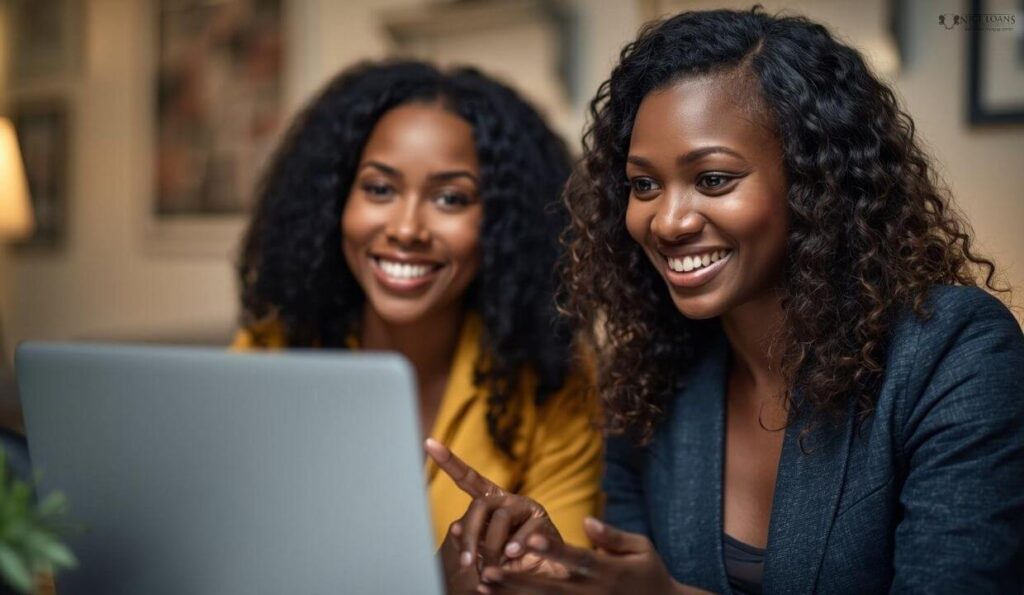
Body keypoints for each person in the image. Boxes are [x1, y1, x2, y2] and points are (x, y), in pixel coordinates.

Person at [431, 8, 1024, 594]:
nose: (668, 221)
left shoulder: (954, 352)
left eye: (713, 179)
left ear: (817, 181)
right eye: (644, 185)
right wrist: (559, 571)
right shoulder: (651, 381)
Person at [231, 61, 602, 586]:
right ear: (335, 201)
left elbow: (562, 580)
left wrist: (531, 569)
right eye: (379, 189)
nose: (406, 229)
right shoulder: (270, 354)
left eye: (450, 198)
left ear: (501, 223)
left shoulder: (553, 380)